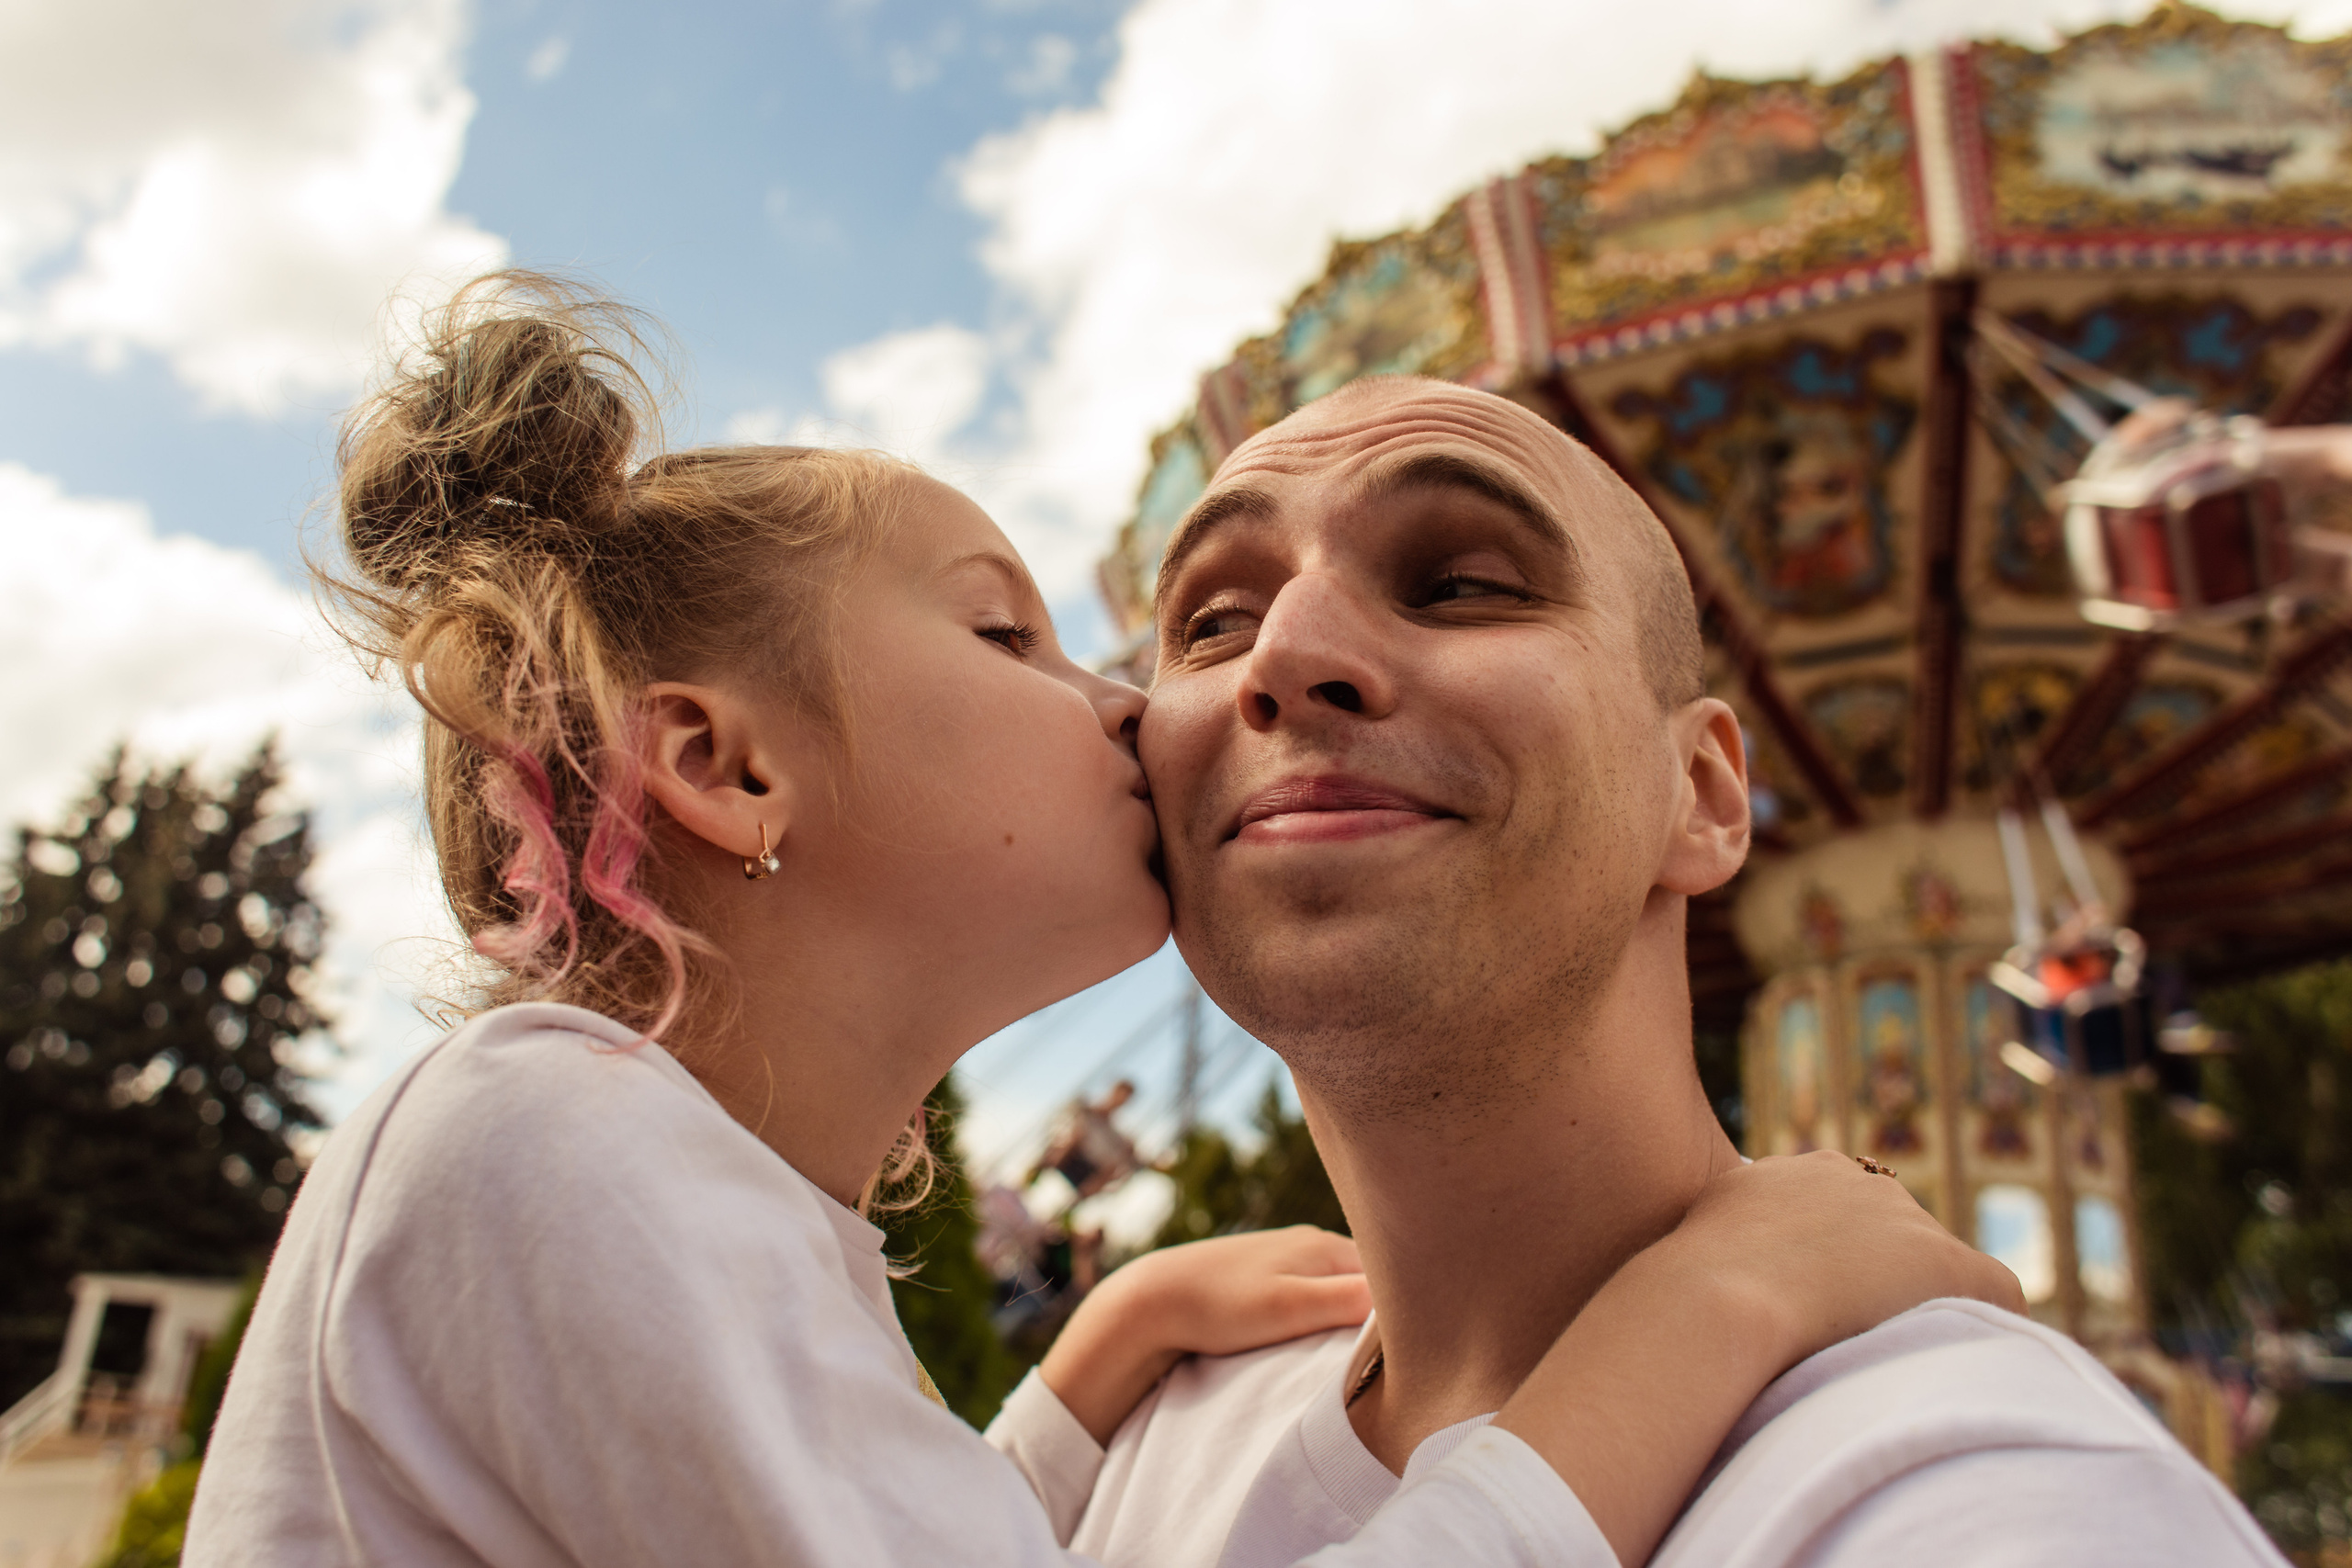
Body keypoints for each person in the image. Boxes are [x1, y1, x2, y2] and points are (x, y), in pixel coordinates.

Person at [183, 276, 2016, 1568]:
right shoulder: (546, 1147)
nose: (1127, 706)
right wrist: (1711, 1301)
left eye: (1455, 580)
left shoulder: (640, 1183)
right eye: (1010, 634)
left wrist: (1070, 1382)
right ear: (723, 768)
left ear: (1705, 787)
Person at [988, 374, 2283, 1567]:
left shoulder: (1994, 1494)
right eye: (1213, 621)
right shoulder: (1141, 1436)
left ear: (1707, 794)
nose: (1284, 655)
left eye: (1459, 585)